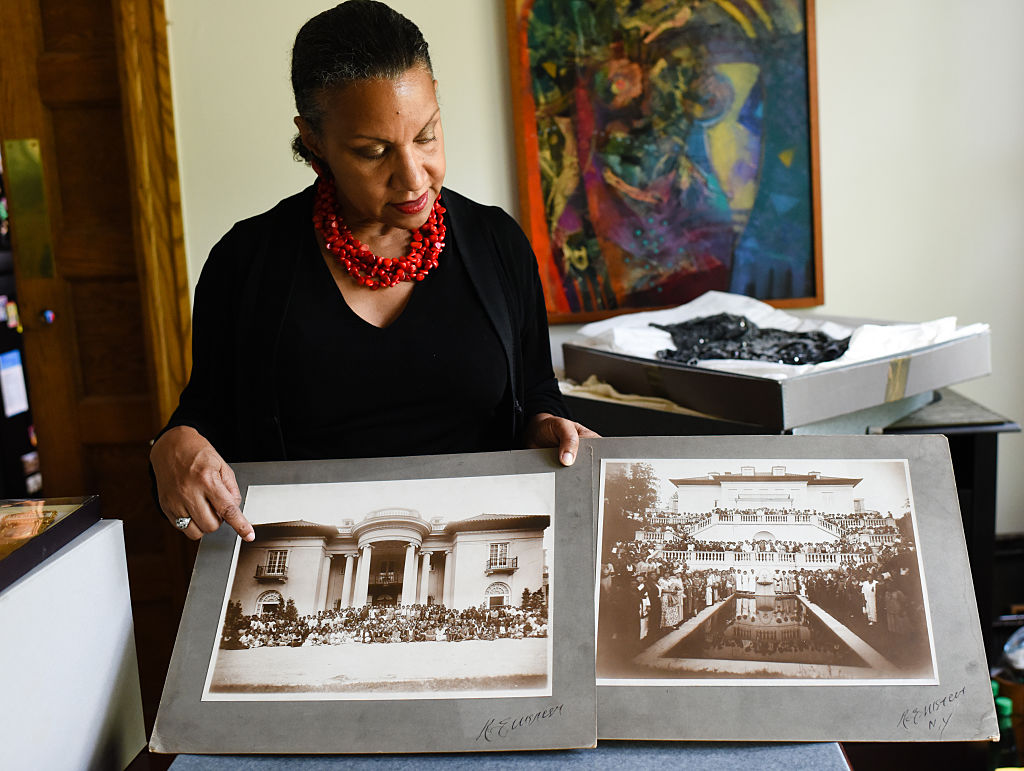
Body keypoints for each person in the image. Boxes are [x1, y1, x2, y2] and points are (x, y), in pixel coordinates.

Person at [149, 1, 596, 540]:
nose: (412, 178)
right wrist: (172, 445)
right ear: (314, 142)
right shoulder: (245, 262)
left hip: (484, 555)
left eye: (426, 135)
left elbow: (537, 393)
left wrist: (546, 427)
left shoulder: (497, 243)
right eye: (373, 152)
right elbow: (205, 419)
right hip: (309, 571)